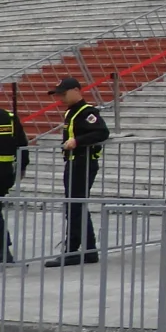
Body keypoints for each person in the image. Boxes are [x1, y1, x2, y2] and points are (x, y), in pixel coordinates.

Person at [47, 78, 108, 266]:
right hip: (74, 162)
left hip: (83, 162)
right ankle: (87, 250)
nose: (61, 98)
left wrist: (77, 141)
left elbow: (102, 132)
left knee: (75, 206)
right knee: (75, 206)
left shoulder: (87, 112)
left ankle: (74, 250)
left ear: (76, 90)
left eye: (63, 94)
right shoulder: (71, 111)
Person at [0, 95, 20, 264]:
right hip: (6, 172)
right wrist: (22, 168)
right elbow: (22, 144)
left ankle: (3, 251)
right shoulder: (9, 117)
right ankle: (4, 250)